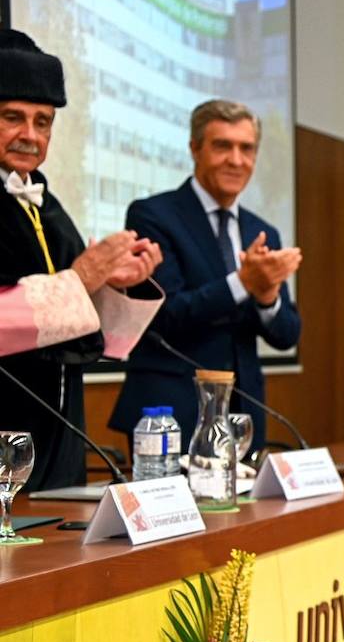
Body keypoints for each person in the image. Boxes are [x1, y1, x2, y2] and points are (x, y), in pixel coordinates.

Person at [0, 28, 160, 490]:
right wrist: (83, 275)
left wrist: (116, 282)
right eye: (13, 118)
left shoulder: (44, 202)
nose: (31, 135)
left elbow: (77, 324)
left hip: (61, 434)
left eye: (43, 121)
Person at [108, 99, 302, 452]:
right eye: (222, 146)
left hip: (242, 417)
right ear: (195, 149)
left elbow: (287, 334)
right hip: (168, 415)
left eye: (246, 148)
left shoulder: (263, 231)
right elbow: (166, 315)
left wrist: (267, 297)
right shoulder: (152, 216)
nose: (236, 159)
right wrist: (243, 283)